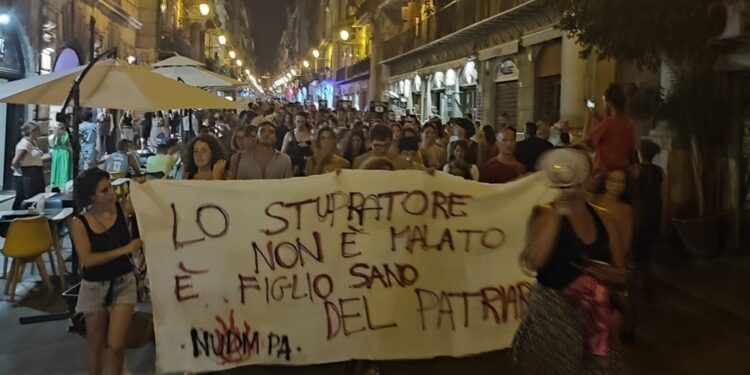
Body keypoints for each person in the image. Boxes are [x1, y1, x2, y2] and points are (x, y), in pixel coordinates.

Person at [513, 148, 627, 375]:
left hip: (595, 318)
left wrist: (612, 276)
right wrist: (558, 214)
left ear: (589, 175)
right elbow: (534, 262)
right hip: (554, 317)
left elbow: (622, 272)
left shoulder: (605, 218)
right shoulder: (543, 214)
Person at [69, 168, 142, 375]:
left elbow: (147, 200)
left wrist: (141, 185)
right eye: (104, 190)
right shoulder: (79, 223)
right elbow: (88, 260)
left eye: (110, 186)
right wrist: (125, 250)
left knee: (116, 343)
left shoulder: (122, 208)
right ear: (91, 197)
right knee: (96, 345)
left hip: (124, 282)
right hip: (94, 286)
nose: (111, 192)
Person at [584, 84, 636, 172]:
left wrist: (588, 119)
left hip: (604, 172)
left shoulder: (608, 123)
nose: (603, 105)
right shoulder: (629, 123)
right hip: (623, 171)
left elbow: (586, 141)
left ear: (610, 103)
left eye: (604, 101)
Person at [11, 122, 45, 210]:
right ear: (32, 131)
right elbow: (15, 162)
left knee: (36, 199)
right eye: (38, 130)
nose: (40, 132)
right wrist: (22, 171)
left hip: (36, 175)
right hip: (28, 176)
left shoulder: (33, 142)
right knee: (26, 199)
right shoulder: (24, 144)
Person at [49, 123, 73, 191]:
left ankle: (64, 182)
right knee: (56, 167)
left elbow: (66, 143)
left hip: (64, 152)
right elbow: (52, 144)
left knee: (64, 168)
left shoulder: (66, 135)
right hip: (57, 153)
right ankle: (56, 183)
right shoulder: (53, 136)